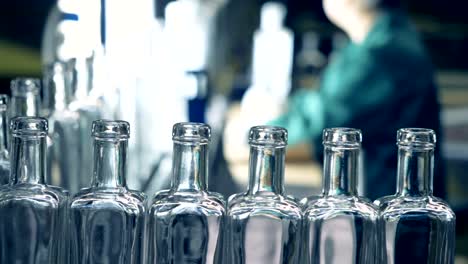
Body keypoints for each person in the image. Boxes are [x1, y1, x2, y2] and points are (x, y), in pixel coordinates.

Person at [269, 0, 445, 200]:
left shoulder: (381, 54)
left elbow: (320, 119)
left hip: (394, 216)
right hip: (386, 205)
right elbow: (327, 101)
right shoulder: (376, 37)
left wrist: (257, 128)